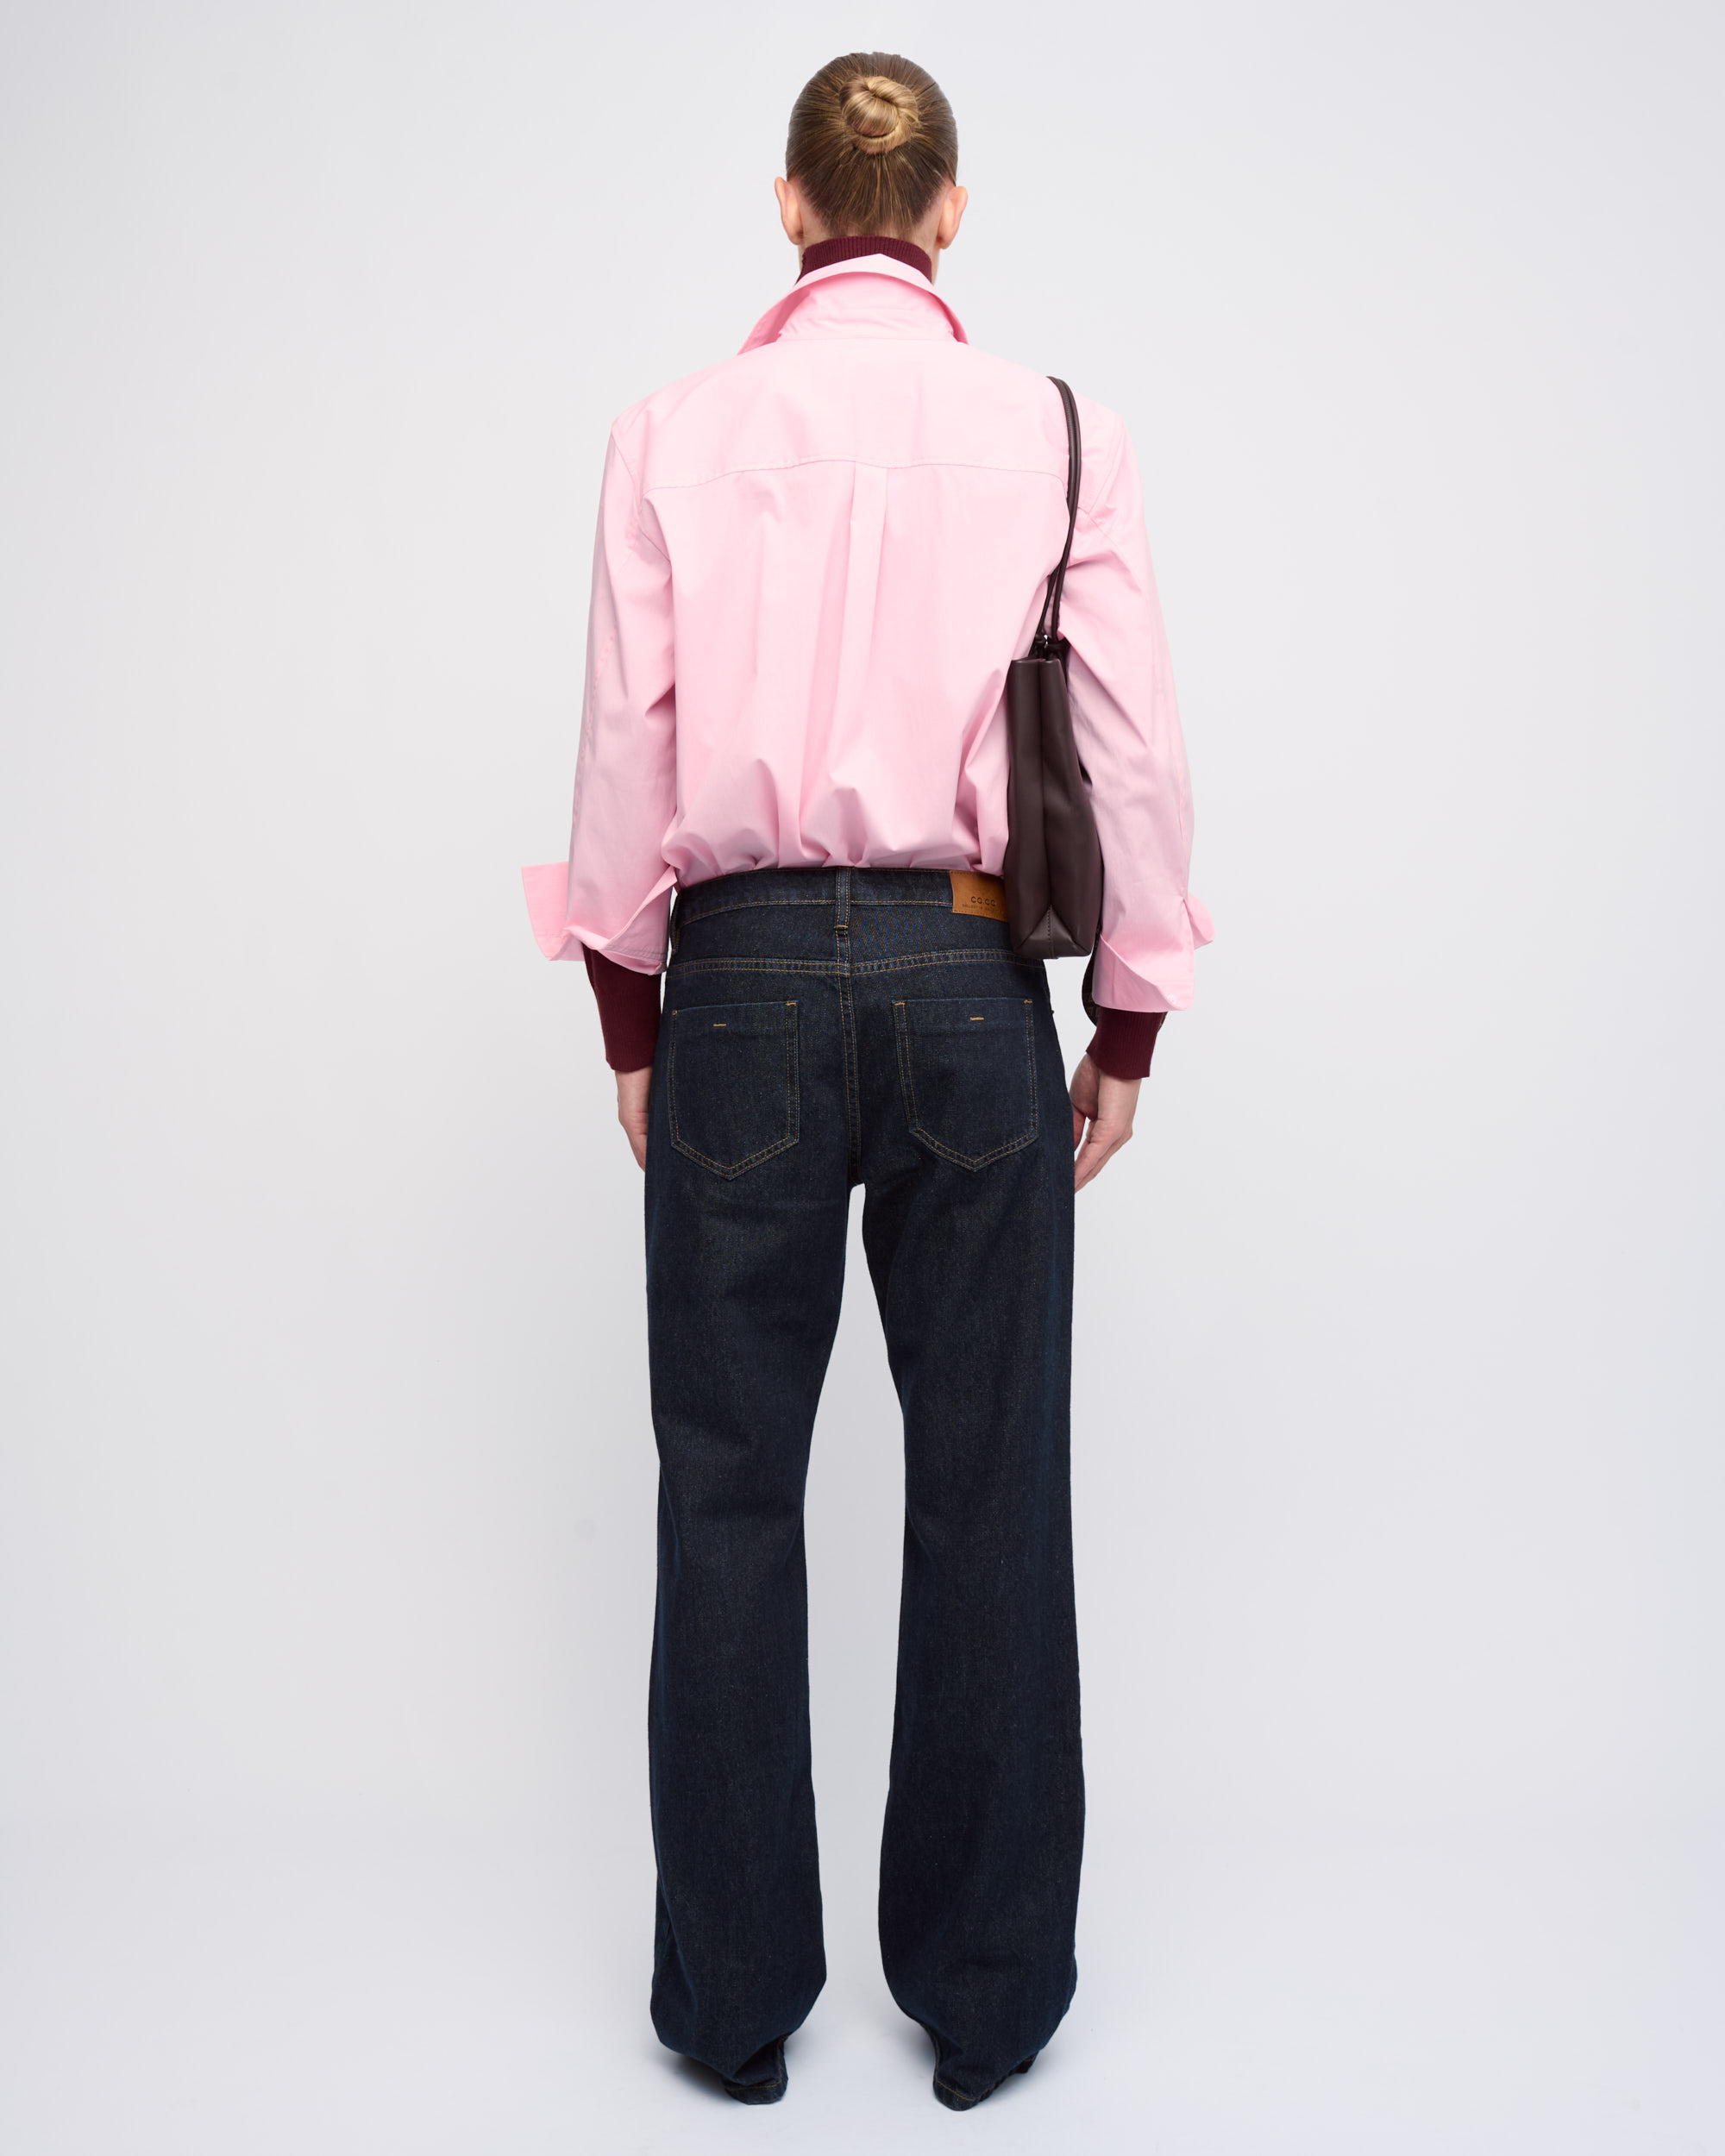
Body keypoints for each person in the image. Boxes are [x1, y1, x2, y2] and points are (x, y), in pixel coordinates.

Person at [523, 51, 1210, 2112]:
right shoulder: (1060, 431)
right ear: (949, 213)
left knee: (725, 1490)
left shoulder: (671, 434)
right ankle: (986, 1997)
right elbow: (1133, 746)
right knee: (990, 1483)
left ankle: (734, 2000)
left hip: (735, 986)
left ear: (792, 206)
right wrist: (1128, 1019)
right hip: (966, 978)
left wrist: (631, 1019)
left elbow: (624, 748)